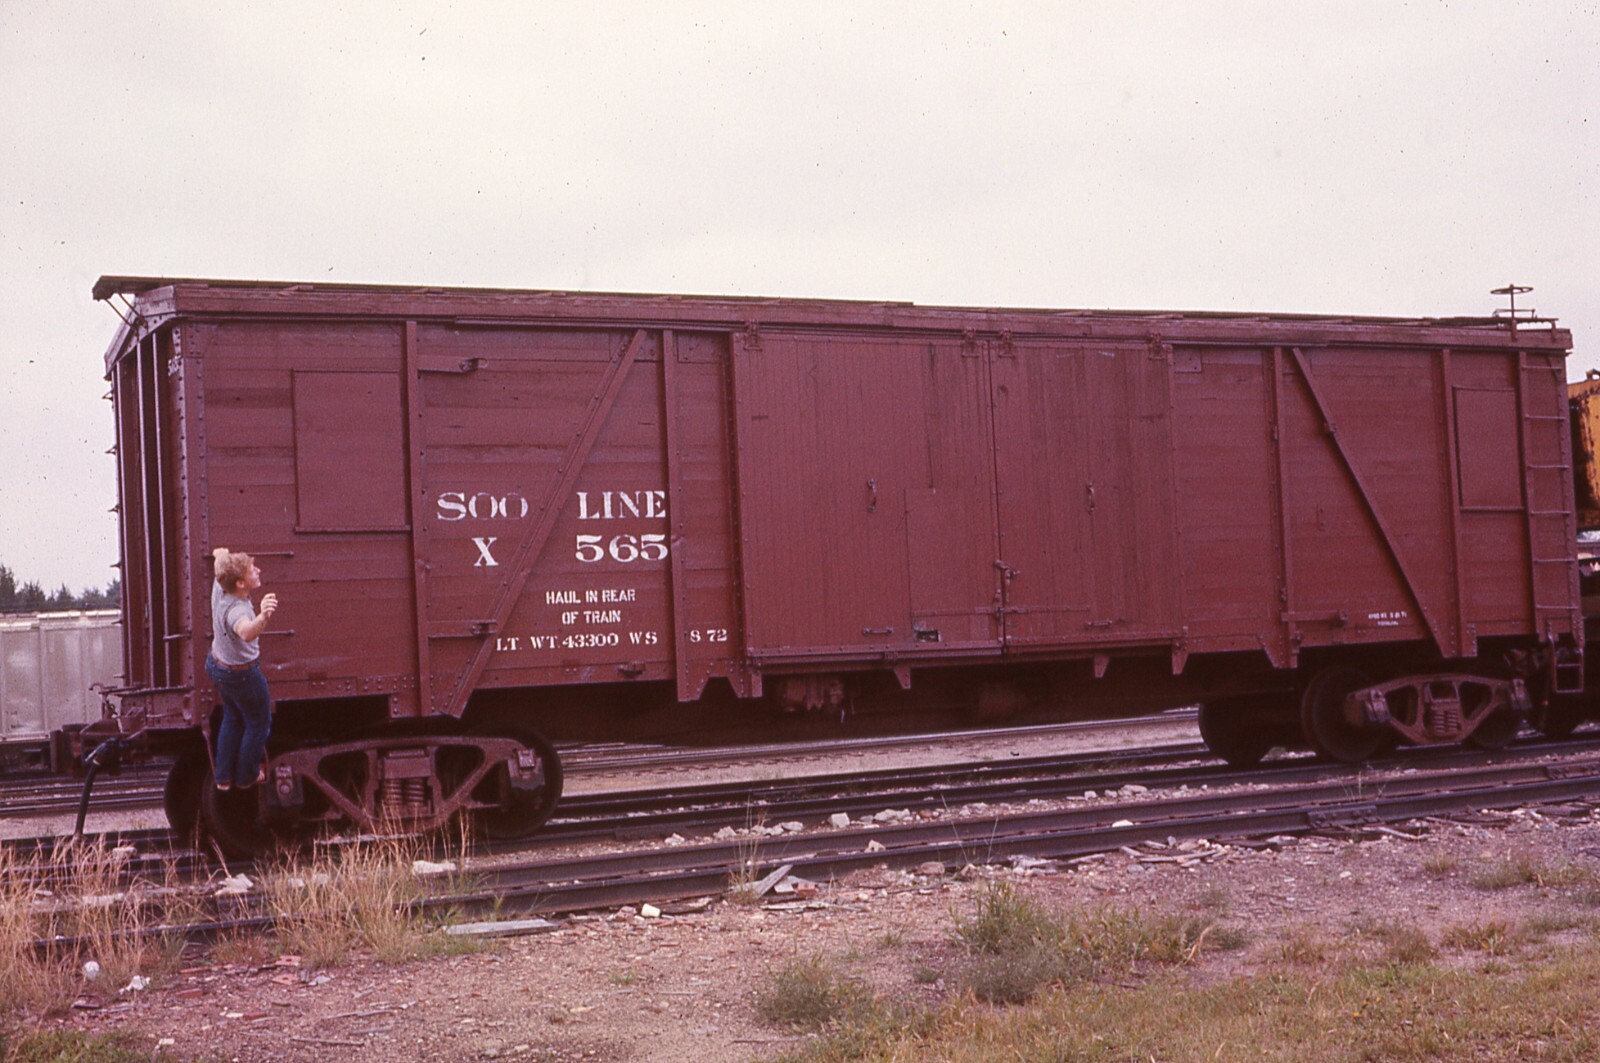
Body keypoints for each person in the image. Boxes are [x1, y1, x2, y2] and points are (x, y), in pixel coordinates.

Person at [206, 547, 278, 790]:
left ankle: (223, 778)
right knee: (258, 723)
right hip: (242, 675)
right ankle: (247, 776)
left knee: (233, 716)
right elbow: (247, 632)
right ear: (240, 583)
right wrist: (264, 616)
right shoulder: (236, 609)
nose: (257, 571)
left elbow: (220, 566)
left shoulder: (220, 585)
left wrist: (220, 555)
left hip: (217, 664)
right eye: (251, 570)